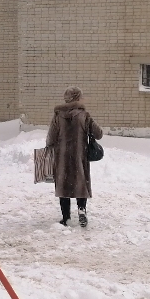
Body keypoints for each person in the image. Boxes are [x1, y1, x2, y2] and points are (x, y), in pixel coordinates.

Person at [47, 86, 102, 227]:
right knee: (80, 183)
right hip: (79, 156)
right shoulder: (84, 115)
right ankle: (82, 211)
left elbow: (50, 138)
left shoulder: (58, 115)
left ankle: (66, 218)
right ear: (78, 98)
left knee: (63, 185)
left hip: (62, 158)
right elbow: (99, 134)